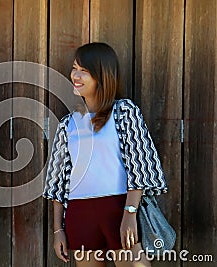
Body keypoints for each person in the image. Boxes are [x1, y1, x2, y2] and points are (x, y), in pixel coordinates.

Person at [43, 42, 168, 267]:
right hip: (80, 215)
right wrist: (57, 230)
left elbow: (138, 166)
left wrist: (130, 213)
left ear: (102, 76)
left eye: (84, 71)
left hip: (119, 210)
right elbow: (58, 184)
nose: (75, 75)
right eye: (74, 68)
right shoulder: (67, 125)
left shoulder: (124, 112)